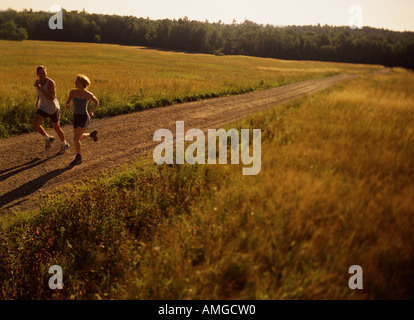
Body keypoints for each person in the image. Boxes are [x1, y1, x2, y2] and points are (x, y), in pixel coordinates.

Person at [33, 65, 70, 153]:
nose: (42, 75)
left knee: (56, 128)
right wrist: (37, 101)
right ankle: (48, 138)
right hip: (43, 107)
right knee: (35, 123)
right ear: (37, 74)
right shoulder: (37, 82)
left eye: (44, 73)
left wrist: (40, 88)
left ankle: (64, 144)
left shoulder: (50, 83)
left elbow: (51, 98)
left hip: (53, 108)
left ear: (46, 73)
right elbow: (39, 93)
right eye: (40, 73)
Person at [65, 74, 99, 166]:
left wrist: (92, 112)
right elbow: (68, 102)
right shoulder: (72, 92)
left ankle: (78, 157)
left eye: (77, 81)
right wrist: (67, 105)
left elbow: (96, 101)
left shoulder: (88, 94)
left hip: (84, 117)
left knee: (76, 138)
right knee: (77, 137)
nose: (75, 82)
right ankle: (91, 135)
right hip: (76, 116)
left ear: (82, 83)